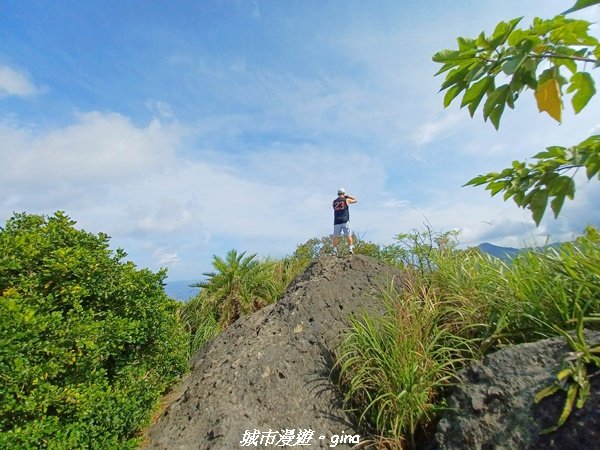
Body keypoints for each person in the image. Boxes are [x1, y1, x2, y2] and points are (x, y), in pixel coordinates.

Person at [332, 188, 357, 255]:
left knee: (336, 236)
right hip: (345, 220)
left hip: (336, 221)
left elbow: (333, 207)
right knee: (348, 235)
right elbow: (355, 200)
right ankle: (350, 249)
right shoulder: (347, 199)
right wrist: (348, 196)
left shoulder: (334, 201)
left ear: (338, 194)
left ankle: (335, 250)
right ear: (344, 193)